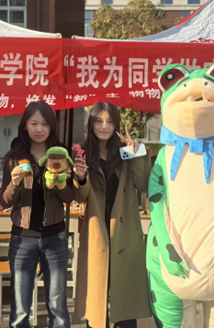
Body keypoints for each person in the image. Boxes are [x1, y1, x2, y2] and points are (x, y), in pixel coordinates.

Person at [73, 102, 151, 328]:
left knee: (124, 299)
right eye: (98, 121)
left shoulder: (127, 151)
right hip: (97, 229)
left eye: (109, 121)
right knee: (97, 299)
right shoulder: (83, 153)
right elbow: (80, 197)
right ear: (91, 124)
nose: (104, 126)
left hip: (124, 230)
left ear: (116, 124)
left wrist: (138, 154)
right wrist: (80, 177)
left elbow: (143, 184)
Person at [0, 101, 73, 328]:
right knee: (20, 309)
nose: (39, 129)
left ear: (52, 127)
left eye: (45, 124)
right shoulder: (14, 157)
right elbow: (4, 202)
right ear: (25, 125)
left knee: (58, 307)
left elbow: (70, 197)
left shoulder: (60, 155)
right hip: (23, 238)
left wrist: (60, 184)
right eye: (34, 123)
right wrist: (14, 183)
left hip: (55, 237)